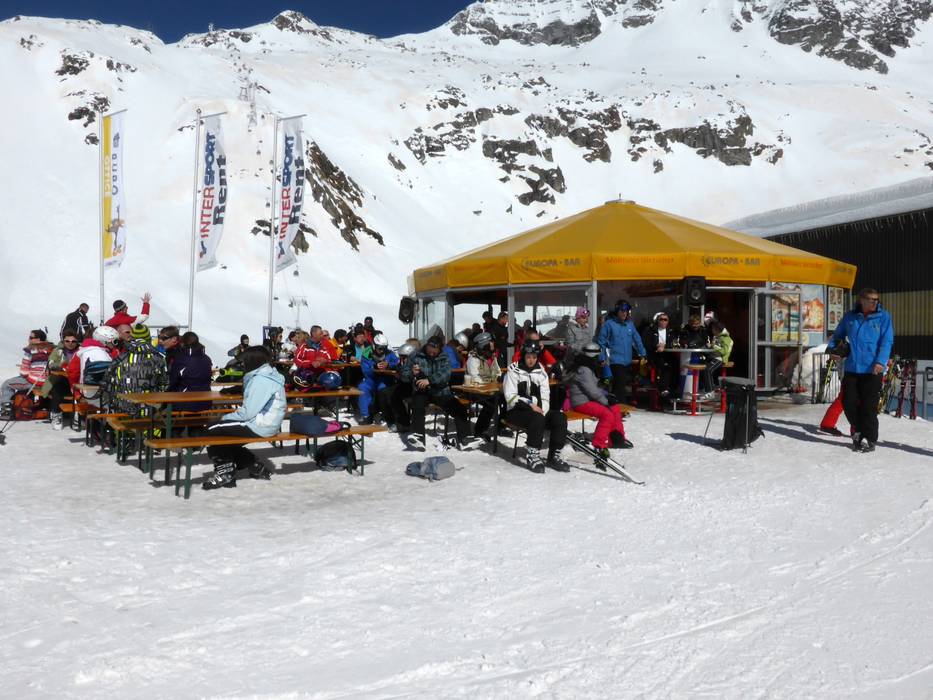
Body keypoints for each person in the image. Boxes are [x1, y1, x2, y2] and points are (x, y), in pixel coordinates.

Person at [203, 346, 285, 489]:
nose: (242, 365)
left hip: (260, 425)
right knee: (223, 433)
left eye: (243, 362)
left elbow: (248, 413)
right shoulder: (264, 376)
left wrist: (225, 418)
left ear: (252, 361)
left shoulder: (261, 380)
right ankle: (251, 463)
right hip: (266, 423)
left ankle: (226, 473)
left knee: (211, 430)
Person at [828, 287, 894, 452]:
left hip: (873, 369)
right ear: (861, 300)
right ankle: (858, 431)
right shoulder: (850, 317)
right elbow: (837, 336)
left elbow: (886, 341)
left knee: (868, 407)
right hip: (852, 367)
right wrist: (833, 350)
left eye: (876, 299)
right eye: (871, 299)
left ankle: (870, 439)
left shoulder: (883, 317)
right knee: (848, 402)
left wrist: (880, 361)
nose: (875, 302)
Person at [503, 340, 570, 473]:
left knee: (560, 417)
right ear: (523, 356)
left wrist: (543, 411)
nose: (531, 360)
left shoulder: (541, 372)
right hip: (516, 411)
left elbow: (545, 396)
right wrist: (530, 405)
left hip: (538, 412)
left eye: (534, 357)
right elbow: (510, 397)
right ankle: (533, 455)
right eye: (528, 357)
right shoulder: (513, 371)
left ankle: (554, 455)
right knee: (537, 418)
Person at [399, 335, 470, 448]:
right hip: (421, 390)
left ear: (440, 350)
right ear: (426, 346)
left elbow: (446, 374)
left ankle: (465, 439)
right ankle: (418, 436)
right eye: (430, 351)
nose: (432, 354)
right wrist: (412, 373)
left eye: (434, 352)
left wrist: (430, 380)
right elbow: (403, 374)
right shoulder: (415, 355)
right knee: (417, 404)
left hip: (440, 391)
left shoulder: (444, 356)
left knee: (459, 408)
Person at [565, 342, 632, 460]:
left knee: (615, 408)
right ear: (592, 356)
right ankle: (598, 444)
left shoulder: (588, 367)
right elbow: (592, 391)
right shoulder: (583, 370)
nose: (600, 360)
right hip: (581, 403)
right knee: (607, 414)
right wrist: (606, 401)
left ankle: (616, 438)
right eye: (598, 356)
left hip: (588, 400)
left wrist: (608, 396)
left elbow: (595, 389)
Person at [99, 324, 168, 417]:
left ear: (132, 338)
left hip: (121, 409)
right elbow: (165, 384)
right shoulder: (159, 358)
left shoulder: (121, 358)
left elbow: (107, 382)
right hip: (150, 411)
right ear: (148, 338)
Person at [597, 300, 647, 402]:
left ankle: (613, 404)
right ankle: (621, 405)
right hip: (614, 360)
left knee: (620, 384)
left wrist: (643, 354)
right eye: (622, 311)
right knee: (620, 384)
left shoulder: (630, 325)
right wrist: (601, 358)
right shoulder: (609, 324)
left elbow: (637, 339)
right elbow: (601, 342)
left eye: (626, 311)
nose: (624, 313)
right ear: (617, 311)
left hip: (627, 361)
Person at [0, 330, 54, 420]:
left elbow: (24, 372)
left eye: (31, 337)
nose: (29, 339)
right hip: (47, 381)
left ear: (38, 339)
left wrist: (25, 370)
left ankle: (6, 411)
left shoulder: (31, 350)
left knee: (6, 384)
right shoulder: (51, 349)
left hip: (34, 381)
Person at [66, 325, 119, 407]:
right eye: (115, 342)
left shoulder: (81, 352)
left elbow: (72, 374)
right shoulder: (105, 355)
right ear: (105, 341)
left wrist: (77, 394)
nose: (116, 345)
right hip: (101, 396)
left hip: (85, 393)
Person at [39, 328, 81, 430]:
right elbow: (51, 363)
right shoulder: (58, 351)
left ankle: (80, 416)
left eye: (73, 341)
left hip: (76, 381)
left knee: (83, 391)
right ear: (63, 341)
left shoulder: (81, 351)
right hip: (60, 379)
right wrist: (60, 366)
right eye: (67, 341)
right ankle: (56, 414)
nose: (70, 343)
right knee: (57, 388)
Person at [465, 331, 503, 438]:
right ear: (483, 347)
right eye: (490, 348)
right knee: (491, 404)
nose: (492, 351)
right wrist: (492, 383)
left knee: (506, 399)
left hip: (491, 389)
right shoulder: (473, 360)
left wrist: (498, 378)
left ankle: (501, 426)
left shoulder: (491, 358)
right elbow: (476, 378)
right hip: (475, 391)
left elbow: (498, 371)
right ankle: (479, 430)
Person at [358, 334, 400, 424]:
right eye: (380, 348)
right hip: (371, 378)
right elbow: (365, 371)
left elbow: (397, 362)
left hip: (385, 378)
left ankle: (385, 414)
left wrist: (388, 365)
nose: (382, 350)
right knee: (363, 388)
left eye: (384, 348)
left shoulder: (389, 353)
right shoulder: (366, 353)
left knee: (382, 388)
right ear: (374, 345)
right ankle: (366, 415)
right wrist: (374, 367)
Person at [168, 331, 213, 412]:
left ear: (183, 343)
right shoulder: (207, 358)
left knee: (167, 403)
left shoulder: (181, 359)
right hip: (206, 401)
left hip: (185, 402)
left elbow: (173, 381)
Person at [642, 311, 678, 400]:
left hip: (668, 354)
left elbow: (674, 343)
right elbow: (646, 343)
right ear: (657, 321)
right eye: (661, 319)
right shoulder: (650, 330)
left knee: (677, 365)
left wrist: (665, 346)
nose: (663, 321)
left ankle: (673, 389)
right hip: (655, 355)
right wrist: (656, 346)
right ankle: (663, 389)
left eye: (665, 320)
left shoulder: (671, 331)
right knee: (665, 366)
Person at [387, 342, 417, 432]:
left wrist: (400, 371)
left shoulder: (415, 363)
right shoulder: (404, 363)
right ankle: (398, 421)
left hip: (416, 389)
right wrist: (398, 367)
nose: (401, 359)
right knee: (388, 393)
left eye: (403, 357)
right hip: (408, 387)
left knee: (394, 396)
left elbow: (406, 378)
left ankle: (404, 423)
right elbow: (399, 371)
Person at [702, 314, 733, 397]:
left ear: (717, 330)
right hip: (712, 357)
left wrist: (713, 346)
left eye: (713, 329)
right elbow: (715, 348)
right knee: (701, 368)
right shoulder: (717, 337)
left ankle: (710, 391)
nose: (712, 331)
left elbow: (724, 351)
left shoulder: (727, 339)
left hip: (720, 359)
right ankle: (705, 388)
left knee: (707, 370)